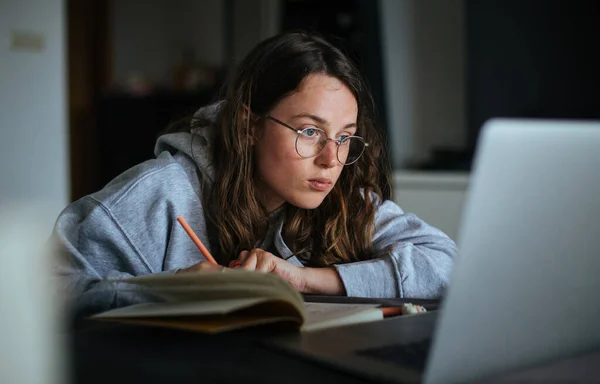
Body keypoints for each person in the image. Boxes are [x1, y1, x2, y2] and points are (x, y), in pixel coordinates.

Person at [53, 31, 458, 317]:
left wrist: (306, 279)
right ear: (249, 126)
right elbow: (45, 291)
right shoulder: (162, 192)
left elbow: (447, 264)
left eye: (345, 137)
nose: (330, 159)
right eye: (310, 131)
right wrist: (169, 289)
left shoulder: (341, 196)